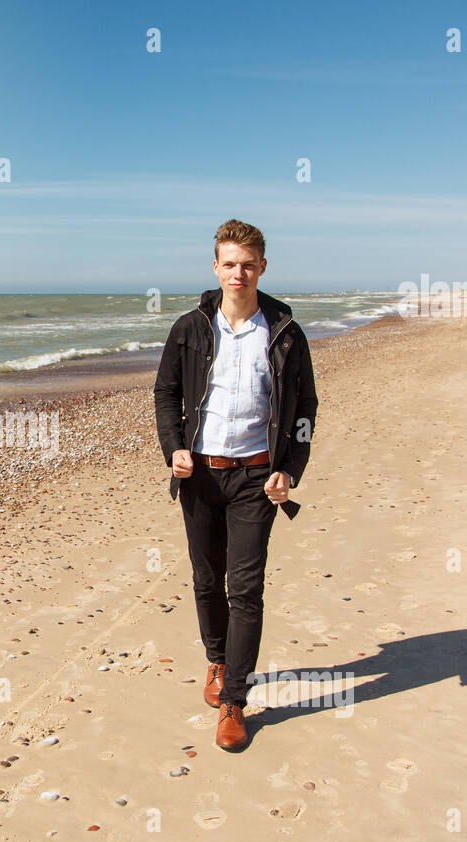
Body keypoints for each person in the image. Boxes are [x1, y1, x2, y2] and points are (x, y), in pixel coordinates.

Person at [152, 219, 318, 752]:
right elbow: (165, 392)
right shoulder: (190, 328)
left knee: (245, 588)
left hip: (256, 477)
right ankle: (218, 662)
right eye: (229, 263)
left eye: (248, 264)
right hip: (199, 473)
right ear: (215, 267)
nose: (238, 273)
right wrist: (173, 447)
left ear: (262, 267)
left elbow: (305, 411)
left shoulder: (287, 333)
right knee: (206, 579)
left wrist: (290, 470)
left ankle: (235, 702)